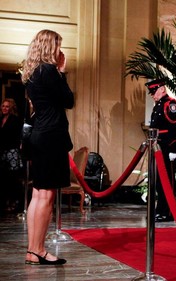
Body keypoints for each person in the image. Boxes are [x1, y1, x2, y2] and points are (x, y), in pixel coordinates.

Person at [21, 29, 74, 265]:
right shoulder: (49, 71)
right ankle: (39, 250)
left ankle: (32, 250)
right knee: (47, 196)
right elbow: (69, 100)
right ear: (50, 47)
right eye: (58, 46)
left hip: (39, 136)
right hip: (51, 137)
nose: (60, 51)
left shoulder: (32, 72)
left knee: (38, 194)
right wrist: (62, 72)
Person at [145, 78, 176, 222]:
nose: (152, 95)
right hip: (158, 147)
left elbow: (173, 128)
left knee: (168, 181)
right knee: (160, 182)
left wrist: (173, 148)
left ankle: (168, 212)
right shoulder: (159, 104)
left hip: (167, 148)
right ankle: (160, 209)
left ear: (162, 89)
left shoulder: (170, 104)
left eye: (154, 91)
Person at [0, 98, 24, 213]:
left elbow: (18, 136)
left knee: (14, 178)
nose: (4, 108)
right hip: (2, 152)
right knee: (4, 178)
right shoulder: (0, 119)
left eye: (7, 106)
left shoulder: (15, 120)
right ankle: (6, 202)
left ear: (11, 108)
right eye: (3, 106)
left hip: (12, 152)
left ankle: (16, 203)